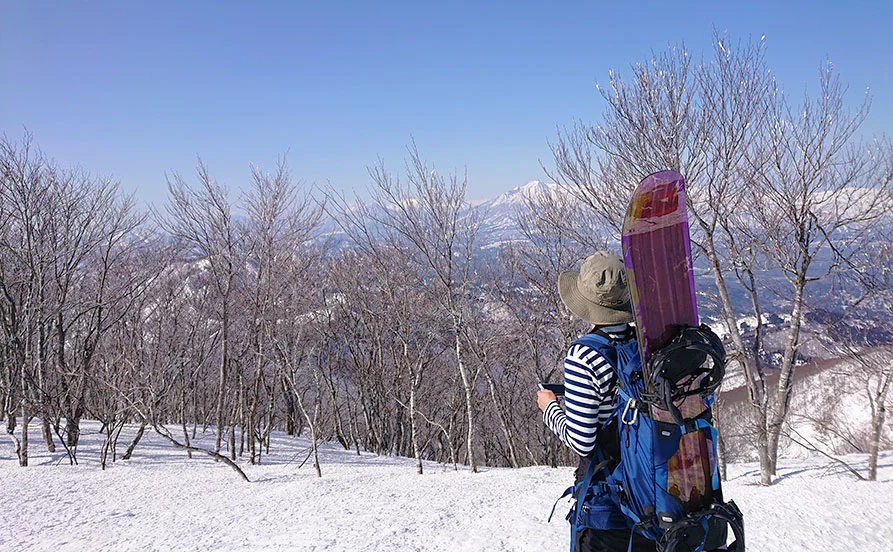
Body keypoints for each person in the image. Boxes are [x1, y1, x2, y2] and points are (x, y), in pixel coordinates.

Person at [537, 251, 656, 552]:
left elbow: (582, 442)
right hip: (647, 494)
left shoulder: (583, 355)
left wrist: (549, 408)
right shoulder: (643, 344)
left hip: (608, 503)